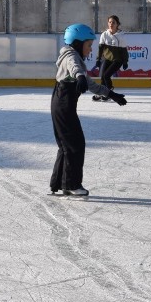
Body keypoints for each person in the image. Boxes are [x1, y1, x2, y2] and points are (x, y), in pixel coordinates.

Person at [50, 24, 126, 197]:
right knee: (75, 145)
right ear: (77, 43)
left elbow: (90, 84)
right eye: (88, 45)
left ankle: (59, 183)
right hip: (63, 105)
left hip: (62, 104)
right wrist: (80, 76)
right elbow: (74, 67)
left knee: (67, 146)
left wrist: (111, 94)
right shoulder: (71, 55)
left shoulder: (75, 56)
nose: (91, 49)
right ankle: (72, 184)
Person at [93, 14, 129, 102]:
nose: (111, 24)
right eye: (109, 22)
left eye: (113, 22)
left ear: (117, 24)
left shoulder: (121, 35)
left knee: (106, 75)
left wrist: (125, 61)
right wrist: (98, 59)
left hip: (117, 60)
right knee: (102, 76)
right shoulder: (104, 34)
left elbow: (124, 50)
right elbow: (100, 48)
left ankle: (109, 92)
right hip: (107, 58)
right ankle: (101, 92)